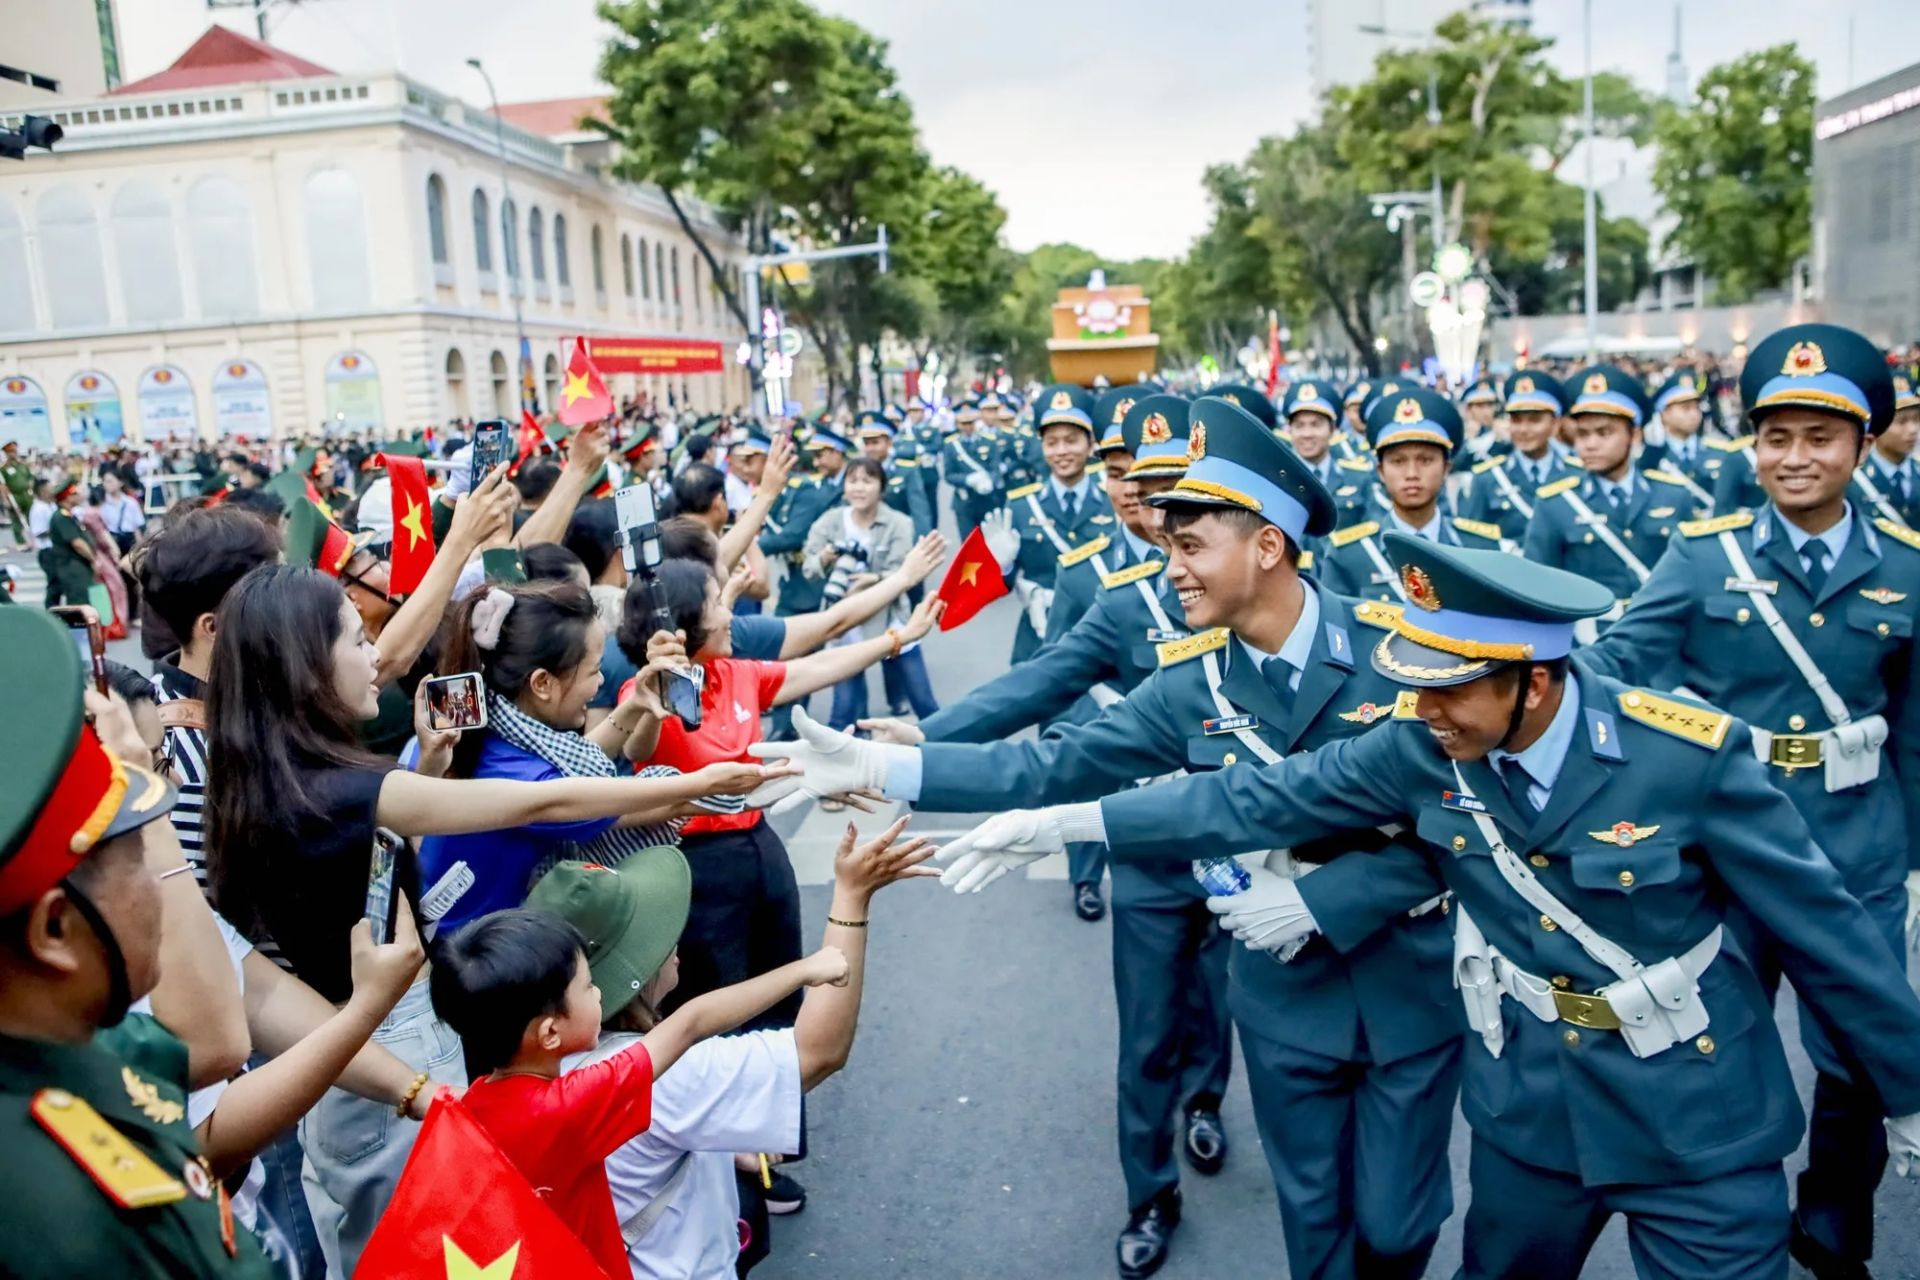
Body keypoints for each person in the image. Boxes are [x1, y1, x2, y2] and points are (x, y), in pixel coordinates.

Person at [939, 531, 1920, 1280]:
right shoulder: (1421, 739)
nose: (1424, 707)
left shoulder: (1685, 757)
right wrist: (1062, 824)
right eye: (1415, 684)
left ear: (1534, 681)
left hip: (1699, 1118)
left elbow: (1830, 938)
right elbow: (1245, 796)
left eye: (1450, 689)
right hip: (1532, 1115)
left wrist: (1908, 1089)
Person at [774, 399, 1461, 1280]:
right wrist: (877, 768)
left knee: (1400, 1231)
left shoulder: (1398, 652)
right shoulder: (1191, 683)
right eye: (1165, 543)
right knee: (1315, 1225)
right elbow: (1052, 768)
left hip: (1403, 980)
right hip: (1288, 1002)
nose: (1169, 567)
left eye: (1190, 545)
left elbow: (1460, 823)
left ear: (1267, 546)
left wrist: (1327, 896)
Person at [201, 564, 789, 1275]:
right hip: (393, 1040)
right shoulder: (345, 785)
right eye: (358, 640)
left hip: (351, 1060)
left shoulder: (268, 781)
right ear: (307, 666)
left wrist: (437, 764)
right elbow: (530, 804)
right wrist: (693, 784)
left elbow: (394, 870)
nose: (376, 657)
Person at [1581, 323, 1920, 1276]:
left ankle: (1834, 1205)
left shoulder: (1907, 567)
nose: (1796, 457)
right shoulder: (1702, 557)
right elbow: (1612, 666)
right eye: (1776, 437)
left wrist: (1919, 860)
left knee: (1855, 1043)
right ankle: (1738, 1210)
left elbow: (1917, 731)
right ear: (1752, 445)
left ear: (1861, 445)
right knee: (1717, 1035)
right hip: (1726, 847)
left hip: (1858, 844)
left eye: (1820, 437)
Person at [534, 815, 931, 1278]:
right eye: (653, 930)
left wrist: (716, 1148)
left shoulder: (540, 1053)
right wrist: (851, 896)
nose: (672, 934)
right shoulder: (660, 1075)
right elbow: (817, 1052)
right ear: (631, 972)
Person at [0, 607, 273, 1277]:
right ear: (56, 930)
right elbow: (217, 1041)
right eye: (143, 857)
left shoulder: (72, 1042)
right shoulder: (63, 1223)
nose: (163, 885)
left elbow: (201, 1041)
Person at [431, 905, 848, 1280]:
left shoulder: (469, 1104)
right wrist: (807, 969)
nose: (599, 994)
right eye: (589, 987)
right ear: (550, 1032)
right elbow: (690, 1024)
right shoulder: (574, 1104)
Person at [416, 579, 691, 933]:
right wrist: (718, 786)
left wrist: (636, 704)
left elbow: (573, 766)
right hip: (472, 963)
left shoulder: (481, 733)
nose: (600, 681)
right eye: (593, 671)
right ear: (542, 683)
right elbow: (629, 803)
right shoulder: (518, 778)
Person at [1522, 365, 1696, 634]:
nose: (1590, 444)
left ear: (1634, 435)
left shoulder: (1674, 495)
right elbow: (1537, 592)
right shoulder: (1556, 504)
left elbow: (1691, 584)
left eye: (1604, 433)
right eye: (1582, 434)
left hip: (1661, 642)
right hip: (1589, 646)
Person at [1320, 388, 1506, 604]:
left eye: (1425, 460)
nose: (1412, 474)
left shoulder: (1480, 547)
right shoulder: (1350, 555)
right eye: (1398, 462)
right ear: (1380, 471)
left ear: (1446, 468)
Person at [800, 457, 925, 730]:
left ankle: (946, 755)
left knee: (924, 703)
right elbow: (809, 568)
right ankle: (851, 761)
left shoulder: (898, 523)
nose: (859, 488)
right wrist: (825, 557)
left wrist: (875, 580)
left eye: (867, 481)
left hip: (891, 622)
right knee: (843, 713)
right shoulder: (831, 521)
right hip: (845, 626)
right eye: (852, 481)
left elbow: (905, 570)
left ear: (881, 487)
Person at [1002, 385, 1113, 663]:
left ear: (1091, 445)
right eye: (1052, 443)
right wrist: (1000, 565)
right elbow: (1001, 585)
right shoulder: (1020, 506)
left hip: (1103, 631)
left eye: (1071, 440)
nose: (1061, 451)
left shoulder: (1114, 500)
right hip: (1041, 635)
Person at [1460, 371, 1582, 546]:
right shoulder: (1488, 479)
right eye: (1516, 420)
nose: (1524, 429)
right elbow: (1473, 543)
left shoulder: (1577, 474)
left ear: (1555, 424)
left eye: (1534, 420)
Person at [1641, 374, 1718, 518]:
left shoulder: (1719, 452)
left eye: (1697, 408)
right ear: (1664, 414)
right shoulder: (1651, 458)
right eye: (1686, 408)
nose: (1694, 414)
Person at [1852, 371, 1920, 529]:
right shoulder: (1855, 479)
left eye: (1917, 419)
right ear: (1877, 425)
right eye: (1901, 421)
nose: (1913, 429)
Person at [942, 401, 1001, 537]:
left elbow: (995, 467)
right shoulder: (951, 445)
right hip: (964, 501)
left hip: (986, 499)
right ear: (958, 424)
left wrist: (989, 481)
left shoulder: (988, 441)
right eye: (964, 424)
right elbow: (948, 475)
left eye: (970, 423)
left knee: (990, 541)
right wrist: (967, 480)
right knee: (969, 543)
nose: (968, 427)